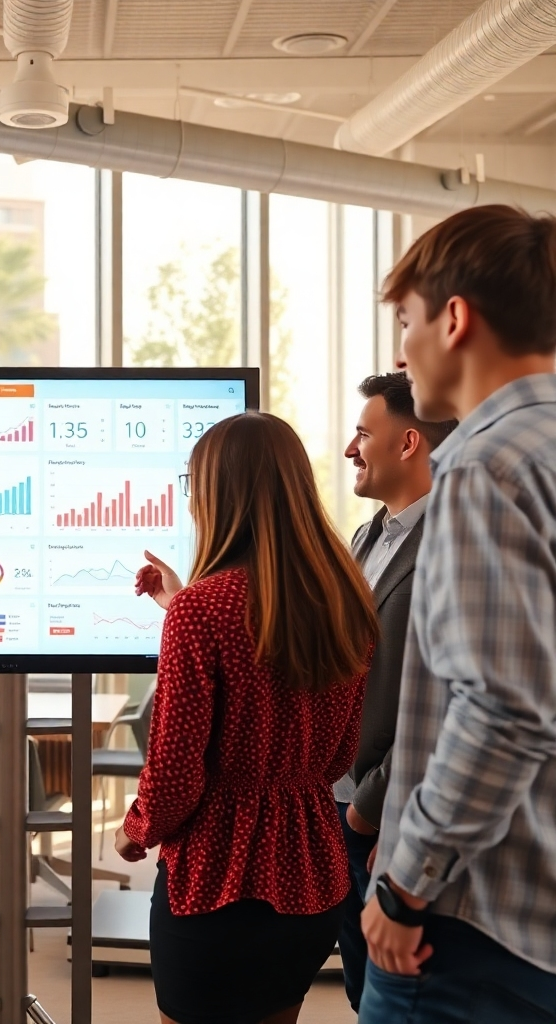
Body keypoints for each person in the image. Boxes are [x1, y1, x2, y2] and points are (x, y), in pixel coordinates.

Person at [360, 205, 556, 1024]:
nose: (403, 347)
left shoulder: (483, 466)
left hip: (465, 929)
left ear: (453, 318)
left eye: (406, 320)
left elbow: (504, 710)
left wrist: (405, 885)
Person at [115, 412, 377, 1024]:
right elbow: (340, 753)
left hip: (214, 879)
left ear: (216, 493)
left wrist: (137, 826)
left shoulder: (203, 611)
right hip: (311, 871)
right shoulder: (344, 598)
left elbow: (176, 773)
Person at [333, 372, 456, 1012]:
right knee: (362, 991)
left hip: (384, 812)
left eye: (362, 434)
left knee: (399, 996)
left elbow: (443, 696)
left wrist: (377, 805)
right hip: (343, 804)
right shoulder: (367, 538)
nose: (351, 450)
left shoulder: (452, 544)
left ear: (408, 443)